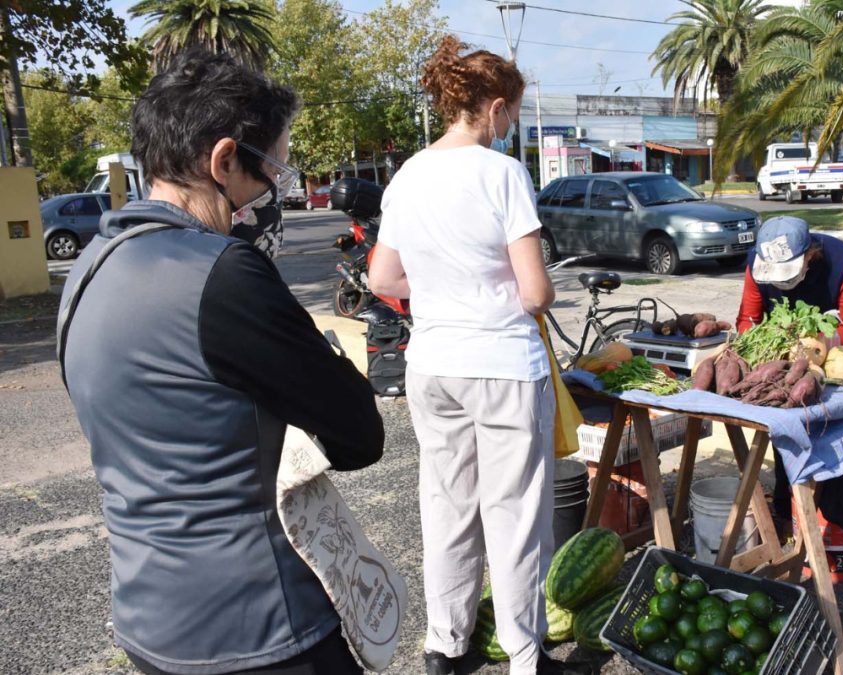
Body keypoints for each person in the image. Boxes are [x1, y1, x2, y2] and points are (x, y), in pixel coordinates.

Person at [57, 51, 384, 673]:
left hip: (149, 619)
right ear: (224, 161)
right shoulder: (222, 272)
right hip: (257, 628)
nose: (273, 193)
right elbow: (358, 436)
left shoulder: (92, 265)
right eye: (273, 172)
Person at [368, 36, 586, 675]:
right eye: (511, 114)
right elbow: (537, 292)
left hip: (433, 365)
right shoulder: (502, 173)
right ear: (493, 108)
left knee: (447, 507)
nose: (511, 125)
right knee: (515, 515)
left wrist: (444, 290)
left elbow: (383, 278)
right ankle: (525, 655)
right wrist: (495, 292)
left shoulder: (408, 174)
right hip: (501, 367)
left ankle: (446, 645)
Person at [736, 216, 843, 575]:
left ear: (810, 255)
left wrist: (816, 345)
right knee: (785, 436)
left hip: (833, 366)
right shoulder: (756, 264)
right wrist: (763, 355)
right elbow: (747, 320)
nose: (780, 283)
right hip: (780, 368)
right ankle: (788, 517)